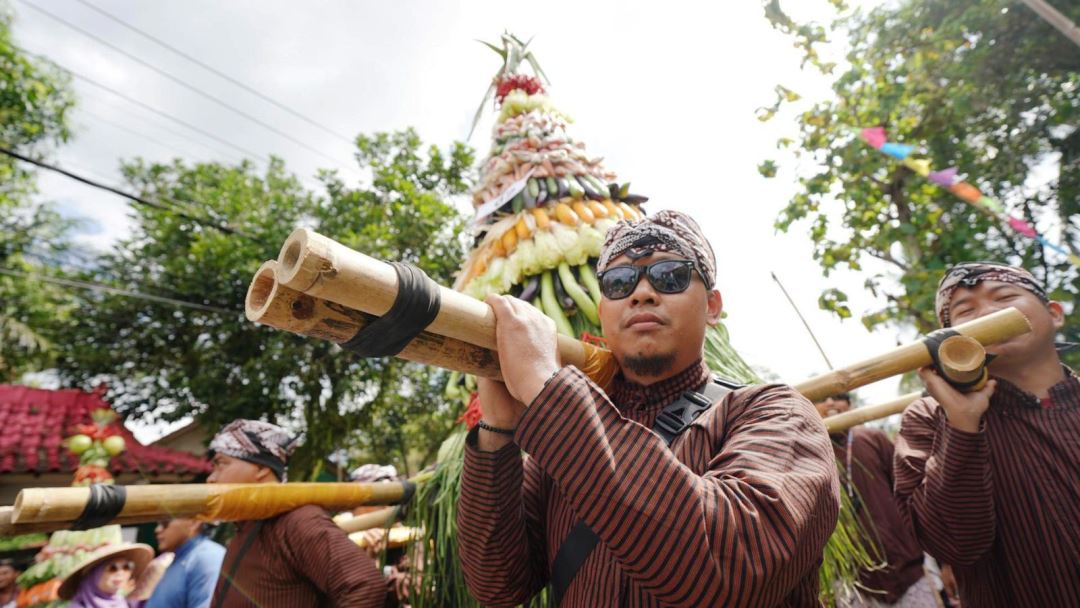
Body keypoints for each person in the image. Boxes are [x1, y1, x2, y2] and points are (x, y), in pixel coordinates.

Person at [457, 210, 839, 607]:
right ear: (603, 310)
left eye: (669, 275)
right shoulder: (556, 446)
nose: (641, 293)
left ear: (712, 306)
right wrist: (498, 431)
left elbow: (731, 571)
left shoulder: (775, 414)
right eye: (619, 282)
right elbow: (497, 585)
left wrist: (543, 384)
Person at [893, 262, 1079, 606]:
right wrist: (961, 424)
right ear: (955, 344)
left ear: (1054, 314)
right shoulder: (928, 419)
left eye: (1005, 296)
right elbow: (953, 544)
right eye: (966, 311)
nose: (989, 312)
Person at [206, 419, 386, 608]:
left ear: (260, 469)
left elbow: (365, 584)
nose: (211, 479)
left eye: (221, 464)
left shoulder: (298, 520)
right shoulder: (244, 526)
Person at [813, 394, 935, 607]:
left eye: (839, 397)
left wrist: (943, 562)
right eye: (823, 398)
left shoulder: (872, 438)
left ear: (850, 406)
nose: (831, 402)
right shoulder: (810, 458)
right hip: (854, 585)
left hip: (908, 571)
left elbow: (912, 496)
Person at [144, 518, 225, 608]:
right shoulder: (183, 558)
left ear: (193, 523)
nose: (157, 530)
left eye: (165, 523)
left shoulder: (207, 556)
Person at [57, 543, 154, 608]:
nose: (120, 573)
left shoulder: (125, 604)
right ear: (94, 576)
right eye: (112, 568)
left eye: (126, 567)